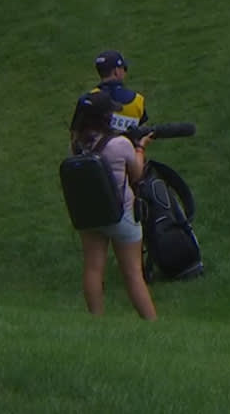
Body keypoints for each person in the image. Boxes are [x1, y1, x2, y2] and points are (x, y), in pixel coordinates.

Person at [69, 93, 157, 320]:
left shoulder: (77, 143)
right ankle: (151, 322)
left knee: (93, 269)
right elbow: (137, 174)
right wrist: (140, 148)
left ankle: (96, 320)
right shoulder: (120, 144)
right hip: (122, 214)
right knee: (133, 273)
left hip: (90, 214)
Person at [75, 50, 147, 134]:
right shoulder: (138, 100)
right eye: (124, 68)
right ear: (116, 71)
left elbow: (76, 133)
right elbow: (143, 133)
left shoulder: (87, 99)